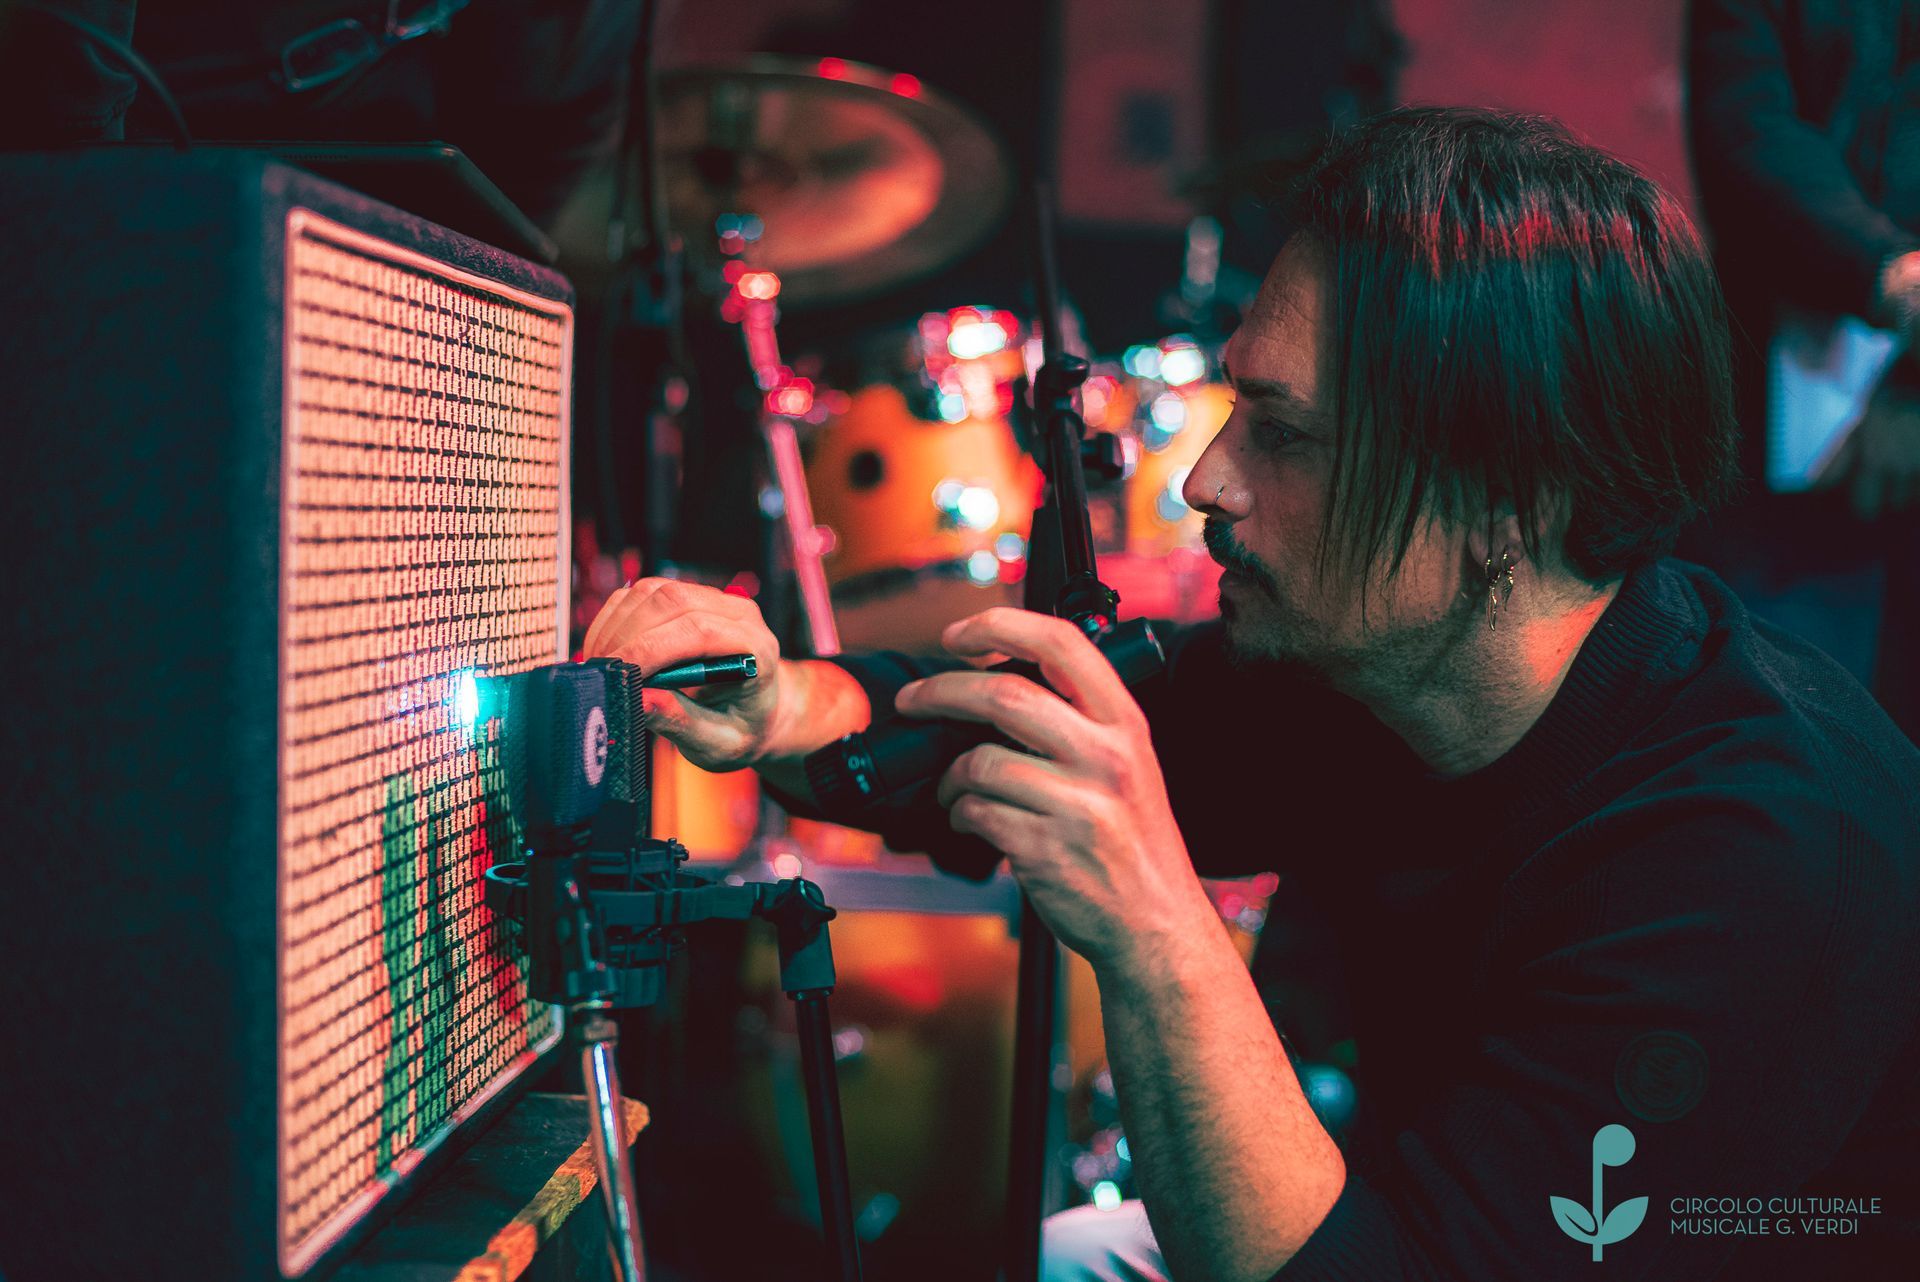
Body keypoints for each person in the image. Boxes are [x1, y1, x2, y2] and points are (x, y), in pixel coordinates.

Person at [585, 109, 1920, 1280]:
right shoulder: (1382, 669)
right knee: (1068, 1255)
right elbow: (1012, 734)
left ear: (1508, 500)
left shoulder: (1754, 859)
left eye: (1282, 433)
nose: (1205, 481)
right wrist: (780, 703)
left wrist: (1153, 924)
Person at [1686, 0, 1920, 739]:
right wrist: (1890, 278)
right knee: (1774, 713)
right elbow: (1747, 133)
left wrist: (1911, 386)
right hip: (1765, 406)